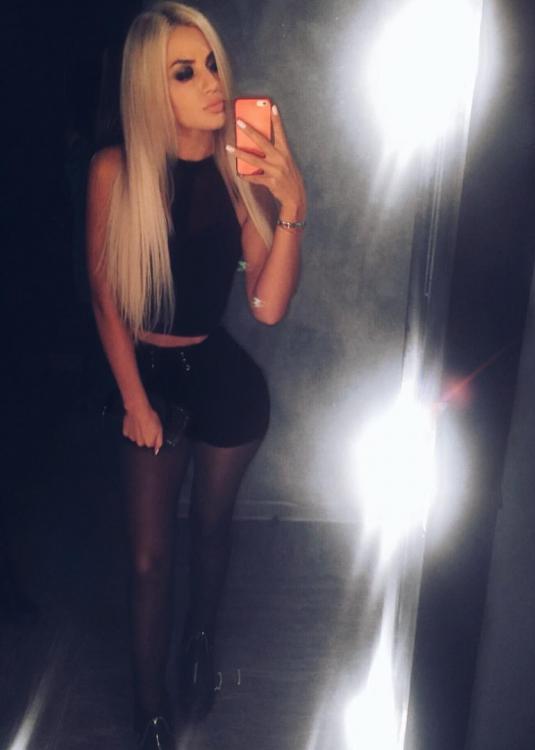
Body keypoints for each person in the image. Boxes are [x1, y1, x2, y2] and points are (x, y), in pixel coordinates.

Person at [86, 3, 306, 748]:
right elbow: (106, 298)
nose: (212, 82)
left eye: (211, 63)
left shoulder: (235, 170)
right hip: (147, 374)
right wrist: (134, 399)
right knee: (150, 560)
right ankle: (150, 707)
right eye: (185, 72)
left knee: (212, 529)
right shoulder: (117, 170)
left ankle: (200, 646)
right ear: (151, 87)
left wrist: (292, 206)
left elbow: (267, 306)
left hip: (219, 375)